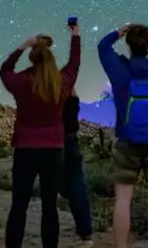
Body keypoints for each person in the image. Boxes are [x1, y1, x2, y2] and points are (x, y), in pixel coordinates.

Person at [0, 24, 82, 248]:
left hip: (25, 148)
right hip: (53, 150)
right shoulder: (61, 83)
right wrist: (75, 35)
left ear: (32, 58)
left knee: (19, 205)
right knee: (49, 206)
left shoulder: (22, 82)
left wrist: (23, 46)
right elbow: (74, 63)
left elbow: (5, 70)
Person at [98, 24, 148, 248]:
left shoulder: (119, 69)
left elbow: (102, 46)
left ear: (128, 43)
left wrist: (118, 32)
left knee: (123, 200)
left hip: (127, 141)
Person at [59, 88, 94, 246]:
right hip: (69, 140)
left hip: (48, 139)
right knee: (76, 185)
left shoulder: (43, 92)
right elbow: (74, 100)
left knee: (50, 186)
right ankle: (85, 233)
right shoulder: (70, 95)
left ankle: (50, 236)